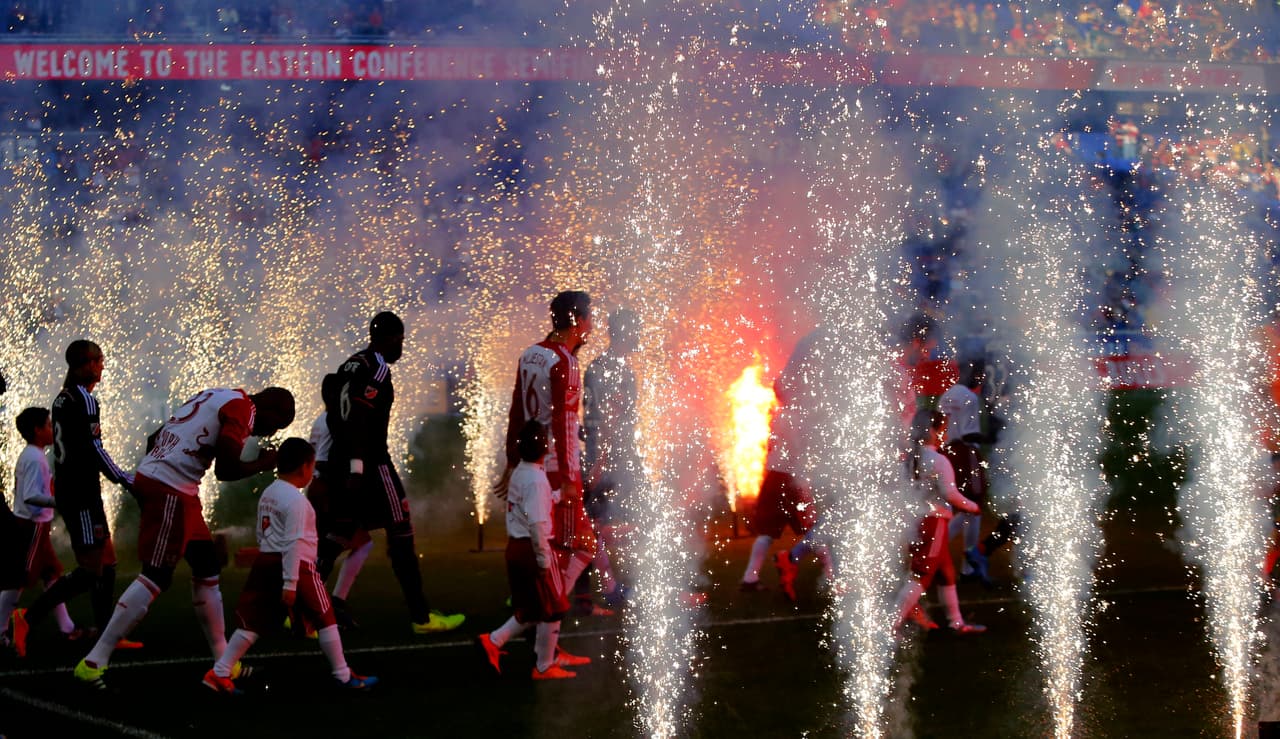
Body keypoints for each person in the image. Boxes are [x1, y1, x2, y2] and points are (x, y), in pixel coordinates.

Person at [75, 385, 296, 689]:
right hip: (172, 488)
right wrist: (264, 463)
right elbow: (226, 470)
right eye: (274, 426)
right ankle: (93, 662)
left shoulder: (222, 393)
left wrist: (152, 472)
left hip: (175, 487)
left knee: (207, 567)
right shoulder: (244, 410)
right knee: (156, 576)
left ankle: (224, 664)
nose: (266, 433)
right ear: (270, 410)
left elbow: (154, 437)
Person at [314, 312, 463, 634]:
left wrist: (338, 461)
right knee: (401, 532)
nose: (402, 347)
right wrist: (357, 463)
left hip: (344, 460)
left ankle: (299, 608)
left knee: (340, 532)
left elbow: (334, 407)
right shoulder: (377, 367)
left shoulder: (349, 364)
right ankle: (422, 617)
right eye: (401, 340)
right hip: (369, 462)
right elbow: (358, 417)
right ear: (391, 338)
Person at [203, 438, 377, 694]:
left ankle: (219, 673)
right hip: (298, 567)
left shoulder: (270, 492)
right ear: (304, 467)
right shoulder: (296, 501)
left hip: (266, 562)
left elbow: (263, 531)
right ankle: (343, 676)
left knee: (252, 623)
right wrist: (290, 583)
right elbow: (294, 542)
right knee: (326, 618)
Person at [15, 341, 136, 653]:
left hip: (81, 491)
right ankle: (27, 617)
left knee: (108, 561)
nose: (103, 366)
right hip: (81, 494)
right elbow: (95, 449)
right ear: (87, 364)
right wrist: (124, 478)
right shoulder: (83, 399)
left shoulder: (62, 399)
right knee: (91, 570)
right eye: (99, 361)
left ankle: (107, 635)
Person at [495, 292, 598, 635]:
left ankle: (544, 644)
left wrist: (512, 460)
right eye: (588, 319)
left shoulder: (530, 354)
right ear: (577, 320)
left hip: (533, 464)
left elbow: (516, 411)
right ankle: (534, 637)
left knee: (569, 549)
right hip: (555, 469)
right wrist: (570, 479)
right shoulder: (564, 362)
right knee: (575, 549)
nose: (591, 327)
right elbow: (564, 426)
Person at [477, 420, 588, 679]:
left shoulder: (523, 472)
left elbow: (533, 504)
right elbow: (538, 523)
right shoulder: (536, 479)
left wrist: (559, 495)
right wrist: (543, 562)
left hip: (516, 548)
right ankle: (545, 665)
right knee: (555, 605)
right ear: (544, 447)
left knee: (532, 609)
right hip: (531, 549)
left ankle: (493, 641)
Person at [739, 327, 832, 600]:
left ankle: (750, 577)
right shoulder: (801, 415)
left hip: (774, 475)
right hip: (794, 477)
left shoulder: (780, 414)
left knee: (768, 530)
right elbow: (805, 451)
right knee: (818, 526)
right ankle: (830, 577)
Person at [892, 409, 986, 634]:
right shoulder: (938, 460)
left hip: (914, 521)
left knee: (945, 571)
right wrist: (973, 506)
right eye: (941, 429)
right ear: (932, 431)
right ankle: (888, 624)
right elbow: (949, 494)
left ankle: (956, 622)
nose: (944, 434)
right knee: (921, 575)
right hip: (933, 522)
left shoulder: (910, 458)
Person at [0, 407, 85, 655]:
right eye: (48, 425)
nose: (52, 430)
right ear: (37, 431)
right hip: (32, 527)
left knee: (51, 577)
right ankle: (3, 631)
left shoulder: (32, 455)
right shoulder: (35, 458)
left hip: (35, 525)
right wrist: (61, 502)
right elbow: (30, 497)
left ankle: (67, 628)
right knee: (18, 580)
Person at [577, 307, 642, 612]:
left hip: (604, 453)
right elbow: (608, 419)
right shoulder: (615, 369)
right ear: (625, 332)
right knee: (647, 516)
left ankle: (594, 594)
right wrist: (601, 460)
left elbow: (592, 415)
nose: (639, 336)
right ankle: (648, 585)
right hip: (614, 457)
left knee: (591, 524)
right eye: (636, 330)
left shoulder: (597, 366)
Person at [306, 373, 370, 631]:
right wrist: (350, 479)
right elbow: (320, 460)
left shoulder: (322, 420)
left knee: (352, 544)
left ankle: (328, 604)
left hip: (322, 490)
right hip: (328, 492)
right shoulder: (333, 421)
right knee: (328, 551)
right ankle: (312, 609)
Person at [937, 360, 991, 581]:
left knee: (962, 507)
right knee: (972, 507)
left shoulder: (945, 395)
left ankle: (966, 566)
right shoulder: (970, 398)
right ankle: (963, 562)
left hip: (947, 454)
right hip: (966, 455)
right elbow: (970, 435)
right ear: (977, 376)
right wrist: (991, 438)